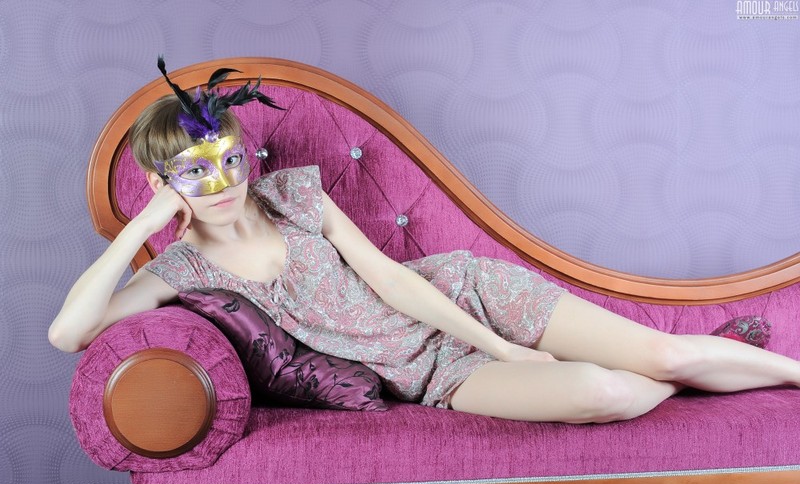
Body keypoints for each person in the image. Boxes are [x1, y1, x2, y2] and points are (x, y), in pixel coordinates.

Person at [49, 58, 800, 424]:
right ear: (164, 182)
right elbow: (68, 333)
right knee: (604, 392)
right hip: (430, 371)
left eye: (228, 160)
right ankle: (712, 358)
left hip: (468, 300)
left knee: (666, 354)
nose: (219, 182)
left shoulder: (294, 197)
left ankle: (782, 372)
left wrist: (503, 346)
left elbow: (393, 281)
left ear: (245, 155)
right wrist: (142, 225)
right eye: (192, 172)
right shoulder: (181, 268)